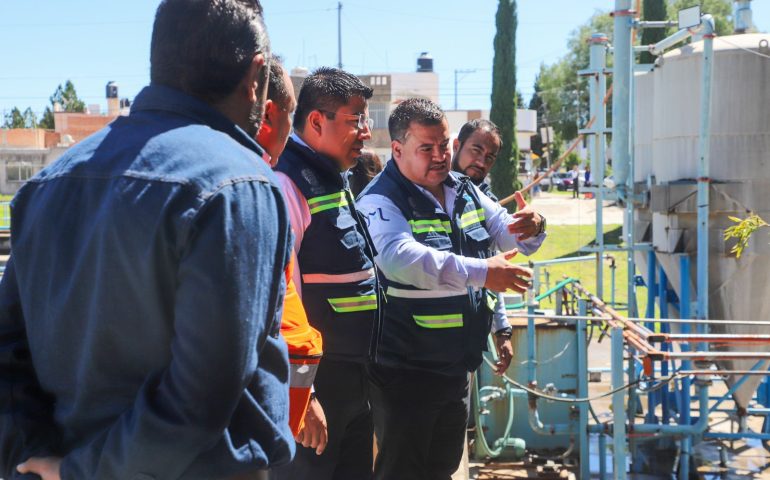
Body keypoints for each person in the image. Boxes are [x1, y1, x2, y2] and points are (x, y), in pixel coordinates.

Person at [0, 1, 294, 479]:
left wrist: (37, 465)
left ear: (159, 61)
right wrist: (80, 471)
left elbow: (9, 353)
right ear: (255, 75)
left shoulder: (48, 184)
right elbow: (200, 395)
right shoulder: (239, 185)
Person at [357, 98, 545, 480]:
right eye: (427, 148)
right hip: (404, 373)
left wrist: (535, 225)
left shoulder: (464, 191)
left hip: (455, 371)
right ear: (397, 149)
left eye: (444, 145)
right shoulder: (379, 199)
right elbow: (399, 259)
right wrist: (481, 272)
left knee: (441, 470)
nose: (440, 156)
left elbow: (511, 236)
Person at [271, 67, 378, 480]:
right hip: (319, 388)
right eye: (355, 122)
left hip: (356, 385)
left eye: (365, 120)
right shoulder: (288, 182)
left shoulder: (333, 178)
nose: (365, 132)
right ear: (316, 121)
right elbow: (282, 295)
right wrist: (304, 393)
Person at [256, 56, 326, 454]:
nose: (366, 131)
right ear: (270, 115)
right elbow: (283, 305)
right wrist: (306, 396)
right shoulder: (265, 189)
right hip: (249, 432)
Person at [451, 118, 548, 376]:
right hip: (420, 349)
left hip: (468, 347)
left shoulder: (485, 202)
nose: (482, 162)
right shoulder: (428, 190)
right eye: (476, 150)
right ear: (456, 145)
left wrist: (536, 225)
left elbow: (494, 268)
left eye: (490, 156)